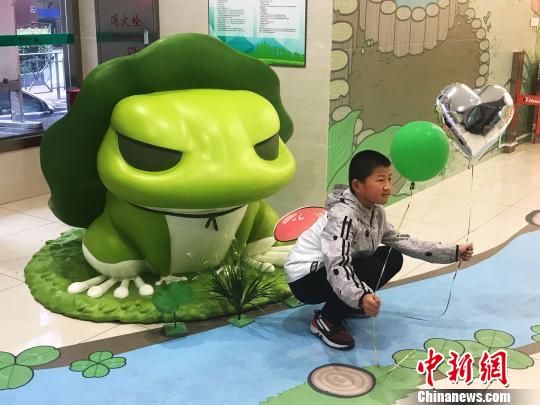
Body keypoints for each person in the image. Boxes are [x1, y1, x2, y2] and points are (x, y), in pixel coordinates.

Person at [284, 150, 474, 350]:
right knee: (371, 267)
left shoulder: (376, 212)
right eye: (380, 180)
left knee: (393, 257)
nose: (388, 186)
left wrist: (452, 251)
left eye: (389, 178)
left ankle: (346, 304)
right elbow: (336, 264)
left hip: (331, 271)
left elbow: (403, 241)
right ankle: (326, 321)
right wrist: (360, 296)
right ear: (357, 185)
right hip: (305, 280)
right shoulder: (342, 217)